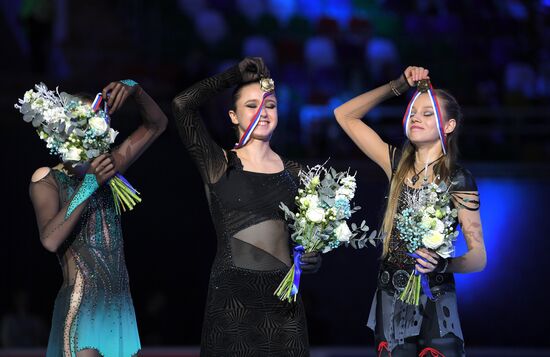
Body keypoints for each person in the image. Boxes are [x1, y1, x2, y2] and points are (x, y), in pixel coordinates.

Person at [172, 57, 320, 356]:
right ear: (233, 116)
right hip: (233, 298)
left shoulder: (296, 173)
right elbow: (181, 105)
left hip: (284, 298)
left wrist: (313, 258)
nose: (263, 112)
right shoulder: (220, 163)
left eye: (270, 105)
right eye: (252, 105)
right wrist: (232, 75)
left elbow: (306, 242)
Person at [334, 66, 486, 356]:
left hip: (437, 299)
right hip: (391, 296)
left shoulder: (458, 179)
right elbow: (343, 114)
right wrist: (398, 85)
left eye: (428, 113)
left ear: (449, 126)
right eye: (414, 111)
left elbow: (479, 257)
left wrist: (444, 264)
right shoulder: (395, 163)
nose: (416, 116)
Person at [29, 80, 167, 357]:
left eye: (92, 122)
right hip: (82, 305)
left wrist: (134, 88)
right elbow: (50, 239)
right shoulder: (47, 178)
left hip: (119, 306)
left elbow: (157, 124)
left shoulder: (109, 167)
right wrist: (90, 183)